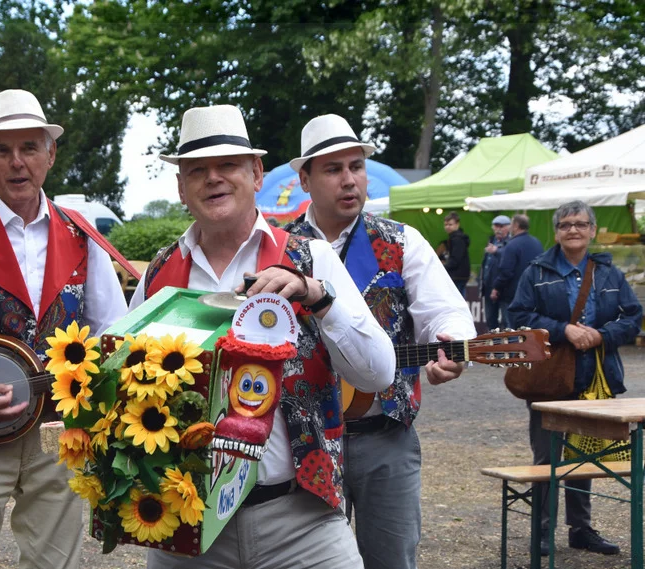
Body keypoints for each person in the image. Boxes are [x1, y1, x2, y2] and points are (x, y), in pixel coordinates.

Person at [130, 105, 396, 569]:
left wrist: (318, 297)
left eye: (227, 165)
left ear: (256, 174)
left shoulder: (310, 257)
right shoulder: (158, 274)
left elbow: (378, 372)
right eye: (197, 171)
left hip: (301, 520)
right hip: (188, 529)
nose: (213, 178)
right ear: (180, 188)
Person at [0, 89, 127, 569]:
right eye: (3, 149)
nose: (17, 163)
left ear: (50, 155)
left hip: (57, 429)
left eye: (29, 148)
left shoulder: (81, 233)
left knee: (57, 561)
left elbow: (113, 329)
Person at [283, 114, 476, 569]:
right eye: (333, 170)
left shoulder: (401, 240)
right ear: (306, 179)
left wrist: (451, 343)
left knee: (392, 560)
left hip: (385, 437)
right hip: (301, 438)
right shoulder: (279, 247)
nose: (350, 180)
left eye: (356, 166)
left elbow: (445, 310)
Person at [509, 200, 642, 556]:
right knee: (547, 458)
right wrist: (563, 330)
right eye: (566, 225)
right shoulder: (535, 271)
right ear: (556, 232)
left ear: (592, 230)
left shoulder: (609, 273)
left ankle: (580, 530)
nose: (573, 230)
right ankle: (542, 531)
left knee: (587, 456)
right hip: (549, 379)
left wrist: (602, 335)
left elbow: (633, 317)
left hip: (596, 376)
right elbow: (519, 315)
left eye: (580, 224)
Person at [492, 213, 543, 327]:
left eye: (511, 224)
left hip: (513, 295)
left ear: (515, 226)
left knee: (511, 330)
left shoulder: (511, 245)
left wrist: (496, 287)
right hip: (535, 293)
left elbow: (506, 271)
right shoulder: (537, 243)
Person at [481, 215, 510, 330]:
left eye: (501, 226)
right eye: (496, 226)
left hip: (504, 288)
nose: (498, 229)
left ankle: (508, 346)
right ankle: (495, 345)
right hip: (488, 287)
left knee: (506, 320)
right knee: (490, 319)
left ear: (509, 227)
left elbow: (509, 259)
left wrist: (497, 251)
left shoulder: (511, 242)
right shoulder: (491, 240)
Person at [440, 211, 471, 296]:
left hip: (457, 275)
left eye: (450, 224)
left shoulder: (457, 239)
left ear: (457, 224)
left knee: (457, 300)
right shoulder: (455, 238)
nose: (447, 227)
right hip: (459, 274)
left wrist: (443, 267)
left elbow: (456, 259)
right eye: (446, 225)